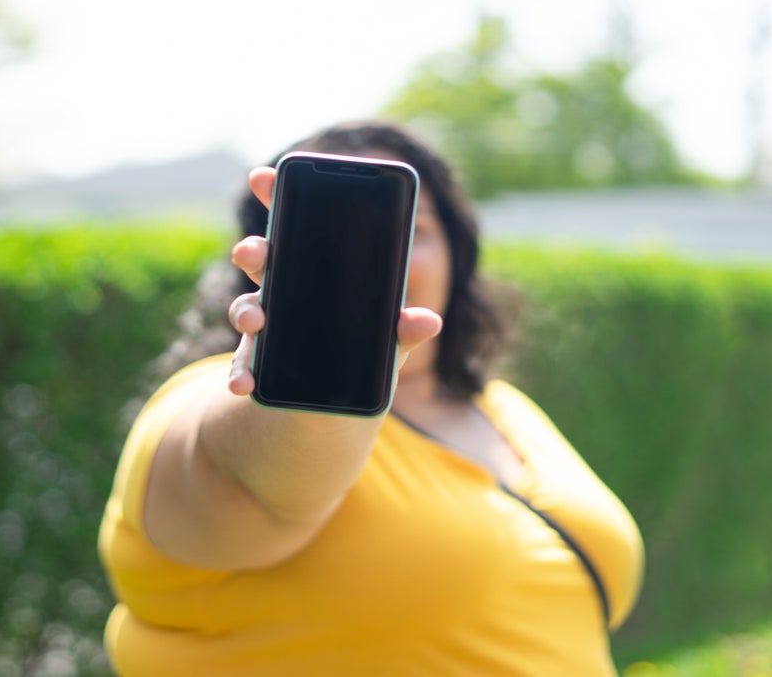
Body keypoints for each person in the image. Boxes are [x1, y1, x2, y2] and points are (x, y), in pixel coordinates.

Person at [98, 120, 644, 676]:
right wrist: (308, 367)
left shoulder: (502, 405)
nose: (374, 253)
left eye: (411, 227)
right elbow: (275, 478)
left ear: (458, 255)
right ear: (265, 255)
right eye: (328, 231)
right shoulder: (210, 398)